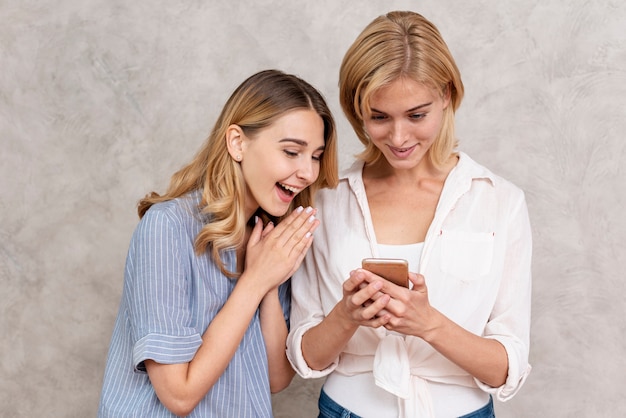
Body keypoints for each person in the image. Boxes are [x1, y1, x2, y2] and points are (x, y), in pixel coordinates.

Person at [286, 11, 532, 418]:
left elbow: (508, 367)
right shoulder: (327, 200)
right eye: (379, 117)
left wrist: (430, 323)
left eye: (417, 115)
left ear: (447, 96)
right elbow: (306, 359)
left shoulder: (499, 201)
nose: (398, 138)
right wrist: (346, 316)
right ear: (357, 110)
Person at [98, 69, 338, 417]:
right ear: (237, 142)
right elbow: (178, 394)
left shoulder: (271, 239)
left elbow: (275, 377)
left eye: (315, 156)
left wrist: (268, 282)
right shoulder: (167, 228)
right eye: (291, 152)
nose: (308, 173)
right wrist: (254, 281)